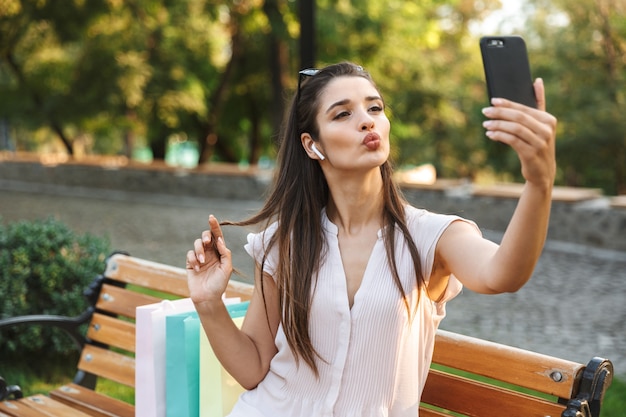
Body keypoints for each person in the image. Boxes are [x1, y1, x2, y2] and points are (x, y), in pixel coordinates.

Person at [186, 62, 557, 416]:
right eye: (342, 114)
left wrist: (539, 183)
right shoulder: (283, 242)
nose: (367, 120)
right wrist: (207, 303)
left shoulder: (432, 236)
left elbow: (502, 275)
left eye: (375, 108)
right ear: (313, 145)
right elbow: (253, 369)